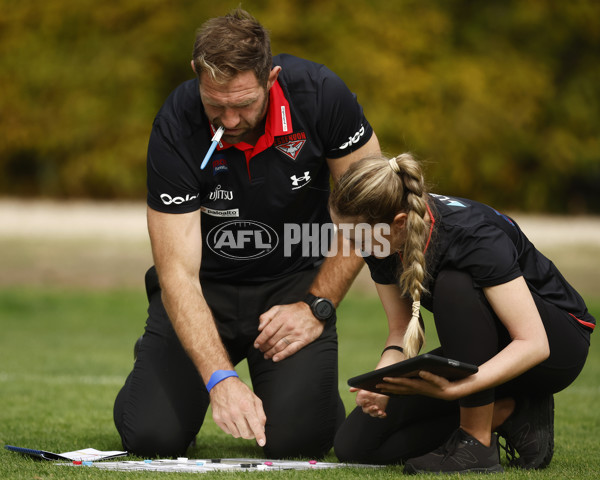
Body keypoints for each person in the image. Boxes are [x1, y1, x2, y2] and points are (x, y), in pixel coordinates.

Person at [112, 8, 380, 458]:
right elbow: (176, 270)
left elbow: (371, 212)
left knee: (301, 440)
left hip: (293, 286)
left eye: (243, 104)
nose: (229, 121)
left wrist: (318, 306)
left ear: (271, 77)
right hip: (205, 289)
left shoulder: (320, 96)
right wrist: (220, 379)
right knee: (150, 436)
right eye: (215, 104)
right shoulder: (177, 123)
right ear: (197, 74)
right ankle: (166, 370)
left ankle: (306, 394)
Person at [329, 153, 594, 474]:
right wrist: (381, 383)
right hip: (489, 347)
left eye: (355, 236)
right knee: (356, 445)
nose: (350, 245)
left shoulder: (471, 236)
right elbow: (400, 329)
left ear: (398, 222)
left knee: (455, 282)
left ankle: (476, 443)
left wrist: (461, 389)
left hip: (556, 346)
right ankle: (512, 411)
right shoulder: (382, 240)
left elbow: (534, 343)